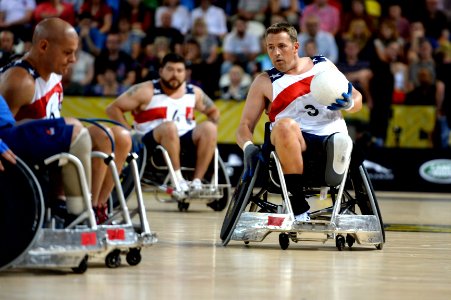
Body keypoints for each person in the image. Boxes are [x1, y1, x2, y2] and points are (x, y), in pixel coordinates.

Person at [0, 17, 131, 224]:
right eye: (67, 52)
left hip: (55, 146)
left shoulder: (55, 72)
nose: (73, 60)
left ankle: (97, 207)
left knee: (119, 136)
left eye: (74, 52)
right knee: (79, 131)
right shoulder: (20, 81)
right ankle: (78, 210)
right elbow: (6, 132)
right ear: (44, 46)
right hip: (33, 158)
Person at [236, 22, 362, 222]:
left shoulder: (324, 65)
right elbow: (244, 126)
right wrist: (248, 147)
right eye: (270, 47)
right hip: (291, 144)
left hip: (328, 143)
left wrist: (349, 104)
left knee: (341, 140)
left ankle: (340, 151)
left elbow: (357, 98)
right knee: (285, 125)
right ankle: (297, 205)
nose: (276, 53)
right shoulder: (264, 81)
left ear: (295, 47)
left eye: (282, 46)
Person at [106, 53, 220, 192]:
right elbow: (113, 109)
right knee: (169, 127)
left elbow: (214, 112)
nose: (175, 74)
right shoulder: (145, 90)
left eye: (179, 71)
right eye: (170, 69)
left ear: (185, 73)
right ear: (161, 71)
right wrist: (129, 133)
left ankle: (197, 181)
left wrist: (209, 137)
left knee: (209, 128)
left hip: (184, 139)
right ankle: (177, 179)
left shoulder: (194, 92)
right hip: (150, 141)